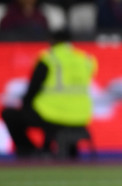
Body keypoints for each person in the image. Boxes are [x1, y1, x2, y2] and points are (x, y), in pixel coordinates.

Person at [1, 29, 96, 159]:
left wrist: (25, 105)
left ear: (52, 41)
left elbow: (33, 89)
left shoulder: (49, 59)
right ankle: (67, 149)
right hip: (81, 116)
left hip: (51, 114)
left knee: (10, 114)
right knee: (47, 119)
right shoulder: (85, 60)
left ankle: (28, 151)